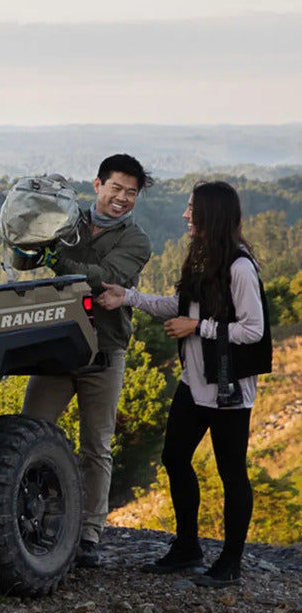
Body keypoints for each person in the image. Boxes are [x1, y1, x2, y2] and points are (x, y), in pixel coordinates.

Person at [97, 181, 271, 587]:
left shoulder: (240, 268)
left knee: (232, 473)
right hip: (194, 384)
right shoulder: (201, 260)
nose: (185, 215)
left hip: (228, 389)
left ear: (211, 214)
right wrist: (128, 298)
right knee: (175, 459)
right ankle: (188, 548)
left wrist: (199, 327)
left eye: (192, 208)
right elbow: (179, 306)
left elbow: (254, 329)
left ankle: (230, 562)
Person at [14, 154, 153, 568]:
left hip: (104, 351)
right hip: (55, 346)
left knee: (97, 447)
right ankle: (24, 521)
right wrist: (26, 237)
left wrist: (54, 258)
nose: (122, 198)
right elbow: (23, 259)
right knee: (30, 434)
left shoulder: (137, 240)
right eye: (116, 188)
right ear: (97, 185)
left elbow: (104, 277)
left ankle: (89, 534)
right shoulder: (66, 219)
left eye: (131, 193)